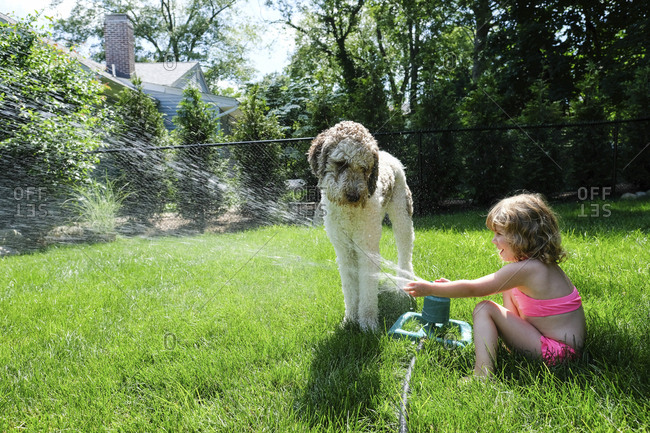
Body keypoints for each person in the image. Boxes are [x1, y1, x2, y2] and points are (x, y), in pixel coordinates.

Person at [403, 193, 585, 380]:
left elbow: (475, 288)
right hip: (562, 351)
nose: (493, 240)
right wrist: (451, 287)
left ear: (520, 236)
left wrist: (431, 289)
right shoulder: (538, 266)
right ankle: (511, 345)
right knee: (507, 287)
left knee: (484, 308)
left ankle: (482, 375)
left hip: (556, 354)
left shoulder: (528, 269)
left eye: (499, 234)